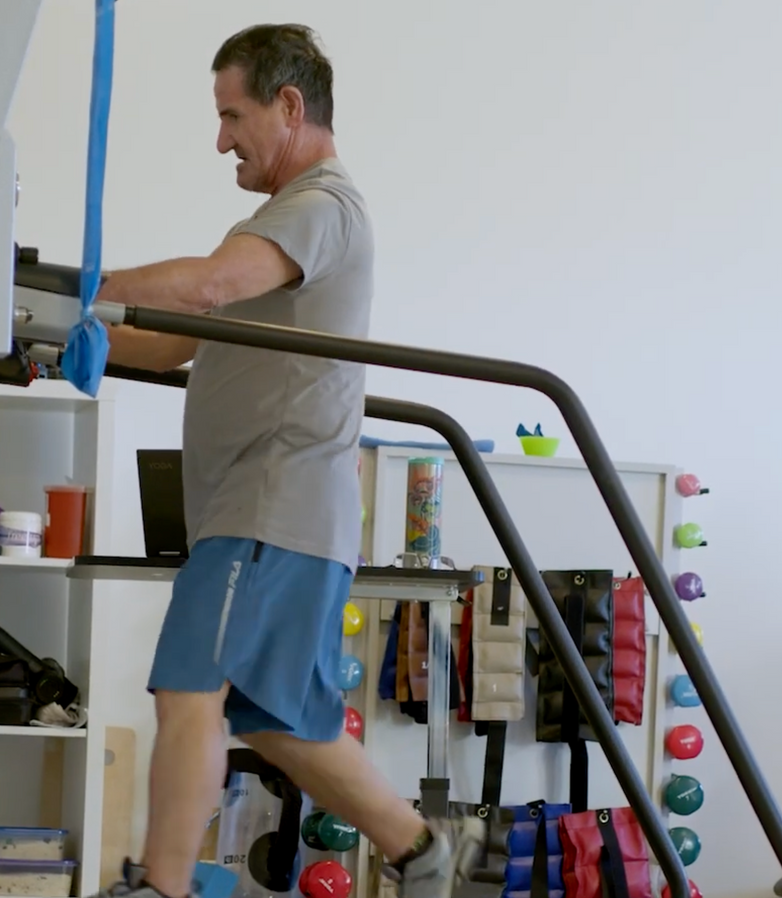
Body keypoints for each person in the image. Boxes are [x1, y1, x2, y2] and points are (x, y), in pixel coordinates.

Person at [87, 22, 484, 898]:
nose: (221, 137)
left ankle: (161, 887)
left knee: (189, 688)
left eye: (233, 115)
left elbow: (205, 288)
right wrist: (45, 333)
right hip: (276, 514)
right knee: (276, 719)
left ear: (290, 106)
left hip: (269, 508)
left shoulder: (321, 208)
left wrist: (81, 287)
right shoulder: (276, 227)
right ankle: (421, 852)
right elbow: (170, 344)